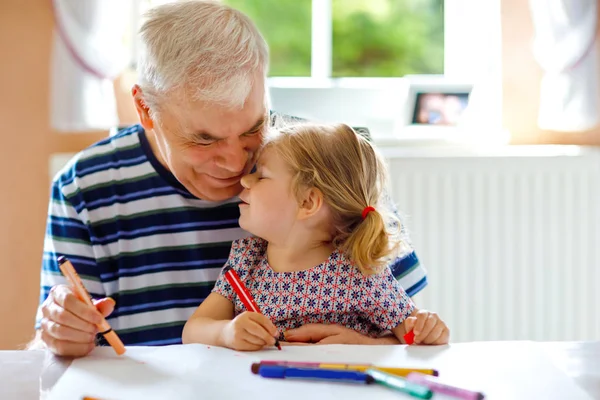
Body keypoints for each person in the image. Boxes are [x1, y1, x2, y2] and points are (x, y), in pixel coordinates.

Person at [30, 0, 428, 357]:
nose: (237, 163)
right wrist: (62, 335)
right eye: (204, 139)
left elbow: (416, 331)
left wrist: (371, 348)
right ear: (145, 108)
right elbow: (56, 352)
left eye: (253, 128)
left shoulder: (327, 162)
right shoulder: (84, 188)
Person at [182, 123, 449, 350]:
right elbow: (194, 330)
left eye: (261, 176)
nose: (245, 181)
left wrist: (428, 330)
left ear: (308, 203)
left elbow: (413, 338)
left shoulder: (359, 272)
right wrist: (226, 333)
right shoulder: (245, 262)